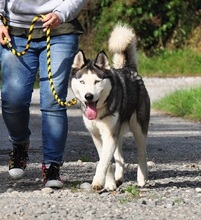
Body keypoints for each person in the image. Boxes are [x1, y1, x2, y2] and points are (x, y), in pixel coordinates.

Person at [0, 0, 87, 188]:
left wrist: (61, 14)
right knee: (13, 100)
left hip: (60, 29)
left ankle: (52, 165)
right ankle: (20, 145)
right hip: (15, 29)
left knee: (53, 101)